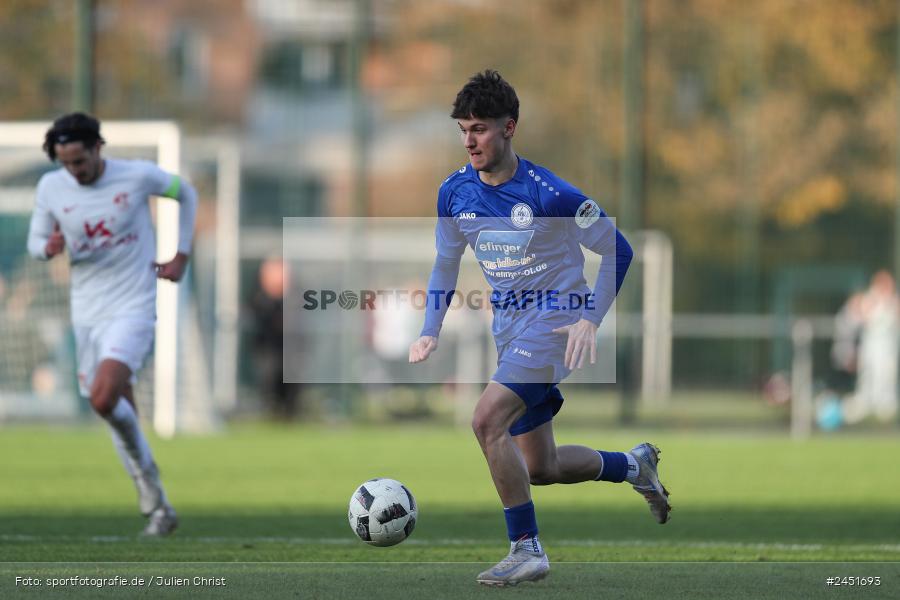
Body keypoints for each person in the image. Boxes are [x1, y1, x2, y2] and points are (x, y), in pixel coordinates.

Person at [409, 70, 670, 586]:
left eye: (479, 128)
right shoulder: (454, 192)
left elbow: (618, 249)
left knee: (486, 422)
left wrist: (590, 319)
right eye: (463, 129)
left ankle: (526, 549)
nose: (469, 140)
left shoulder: (551, 195)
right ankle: (633, 466)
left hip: (556, 321)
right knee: (540, 468)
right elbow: (445, 262)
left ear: (509, 128)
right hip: (509, 330)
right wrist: (429, 328)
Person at [26, 112, 197, 536]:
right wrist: (47, 247)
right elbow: (35, 242)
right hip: (86, 312)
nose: (74, 171)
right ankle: (159, 506)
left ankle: (146, 483)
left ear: (98, 148)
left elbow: (185, 192)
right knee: (117, 409)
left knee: (103, 398)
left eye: (79, 161)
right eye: (66, 163)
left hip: (133, 306)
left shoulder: (136, 177)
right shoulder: (51, 187)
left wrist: (182, 254)